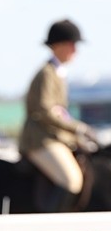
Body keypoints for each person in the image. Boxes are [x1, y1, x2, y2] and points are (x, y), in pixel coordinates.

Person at [19, 18, 96, 211]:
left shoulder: (58, 73)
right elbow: (45, 110)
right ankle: (53, 222)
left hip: (53, 136)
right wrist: (77, 127)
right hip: (41, 139)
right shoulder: (47, 73)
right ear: (59, 45)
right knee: (72, 180)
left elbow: (60, 112)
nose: (75, 50)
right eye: (71, 45)